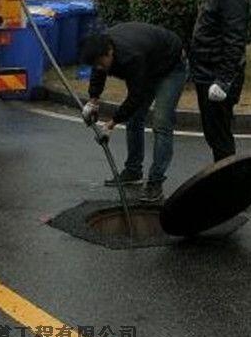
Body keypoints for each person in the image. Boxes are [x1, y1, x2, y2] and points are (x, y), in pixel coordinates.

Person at [80, 22, 188, 202]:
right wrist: (93, 101)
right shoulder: (102, 47)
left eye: (100, 62)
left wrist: (111, 124)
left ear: (110, 52)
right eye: (94, 64)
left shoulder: (131, 56)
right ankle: (133, 170)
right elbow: (98, 73)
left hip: (171, 66)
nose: (99, 67)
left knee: (161, 122)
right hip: (149, 64)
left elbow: (135, 97)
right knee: (134, 120)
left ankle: (155, 182)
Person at [174, 0, 250, 162]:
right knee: (214, 132)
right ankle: (224, 177)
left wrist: (223, 80)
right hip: (206, 71)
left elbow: (234, 42)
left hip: (217, 75)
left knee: (220, 136)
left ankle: (228, 182)